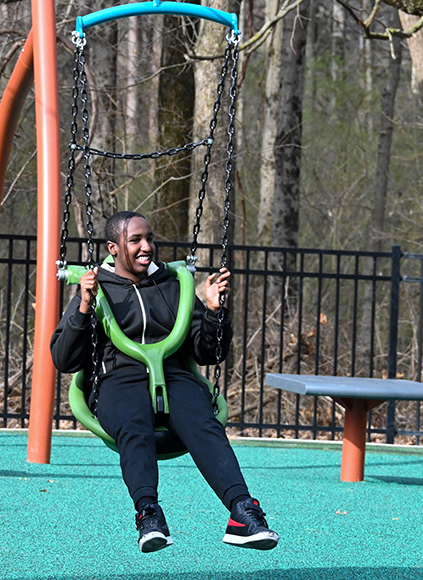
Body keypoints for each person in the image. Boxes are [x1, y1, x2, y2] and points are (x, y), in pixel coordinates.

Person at [51, 210, 279, 553]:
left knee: (204, 423)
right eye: (135, 241)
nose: (147, 247)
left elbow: (207, 353)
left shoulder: (173, 284)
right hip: (119, 378)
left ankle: (242, 511)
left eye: (149, 239)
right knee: (133, 424)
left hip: (173, 375)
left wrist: (215, 312)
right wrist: (84, 307)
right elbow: (65, 359)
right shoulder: (98, 287)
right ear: (114, 248)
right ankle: (148, 513)